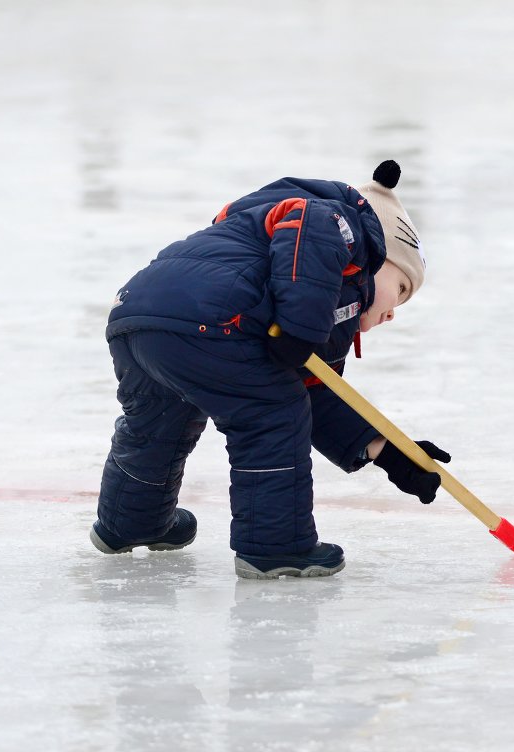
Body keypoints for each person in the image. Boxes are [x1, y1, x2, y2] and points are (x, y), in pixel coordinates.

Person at [89, 160, 450, 579]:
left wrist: (389, 451)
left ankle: (130, 523)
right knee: (273, 416)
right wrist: (301, 326)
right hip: (217, 316)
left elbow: (314, 392)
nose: (394, 312)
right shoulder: (342, 225)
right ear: (380, 252)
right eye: (401, 288)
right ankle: (276, 546)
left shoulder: (274, 262)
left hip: (138, 314)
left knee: (158, 422)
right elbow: (311, 224)